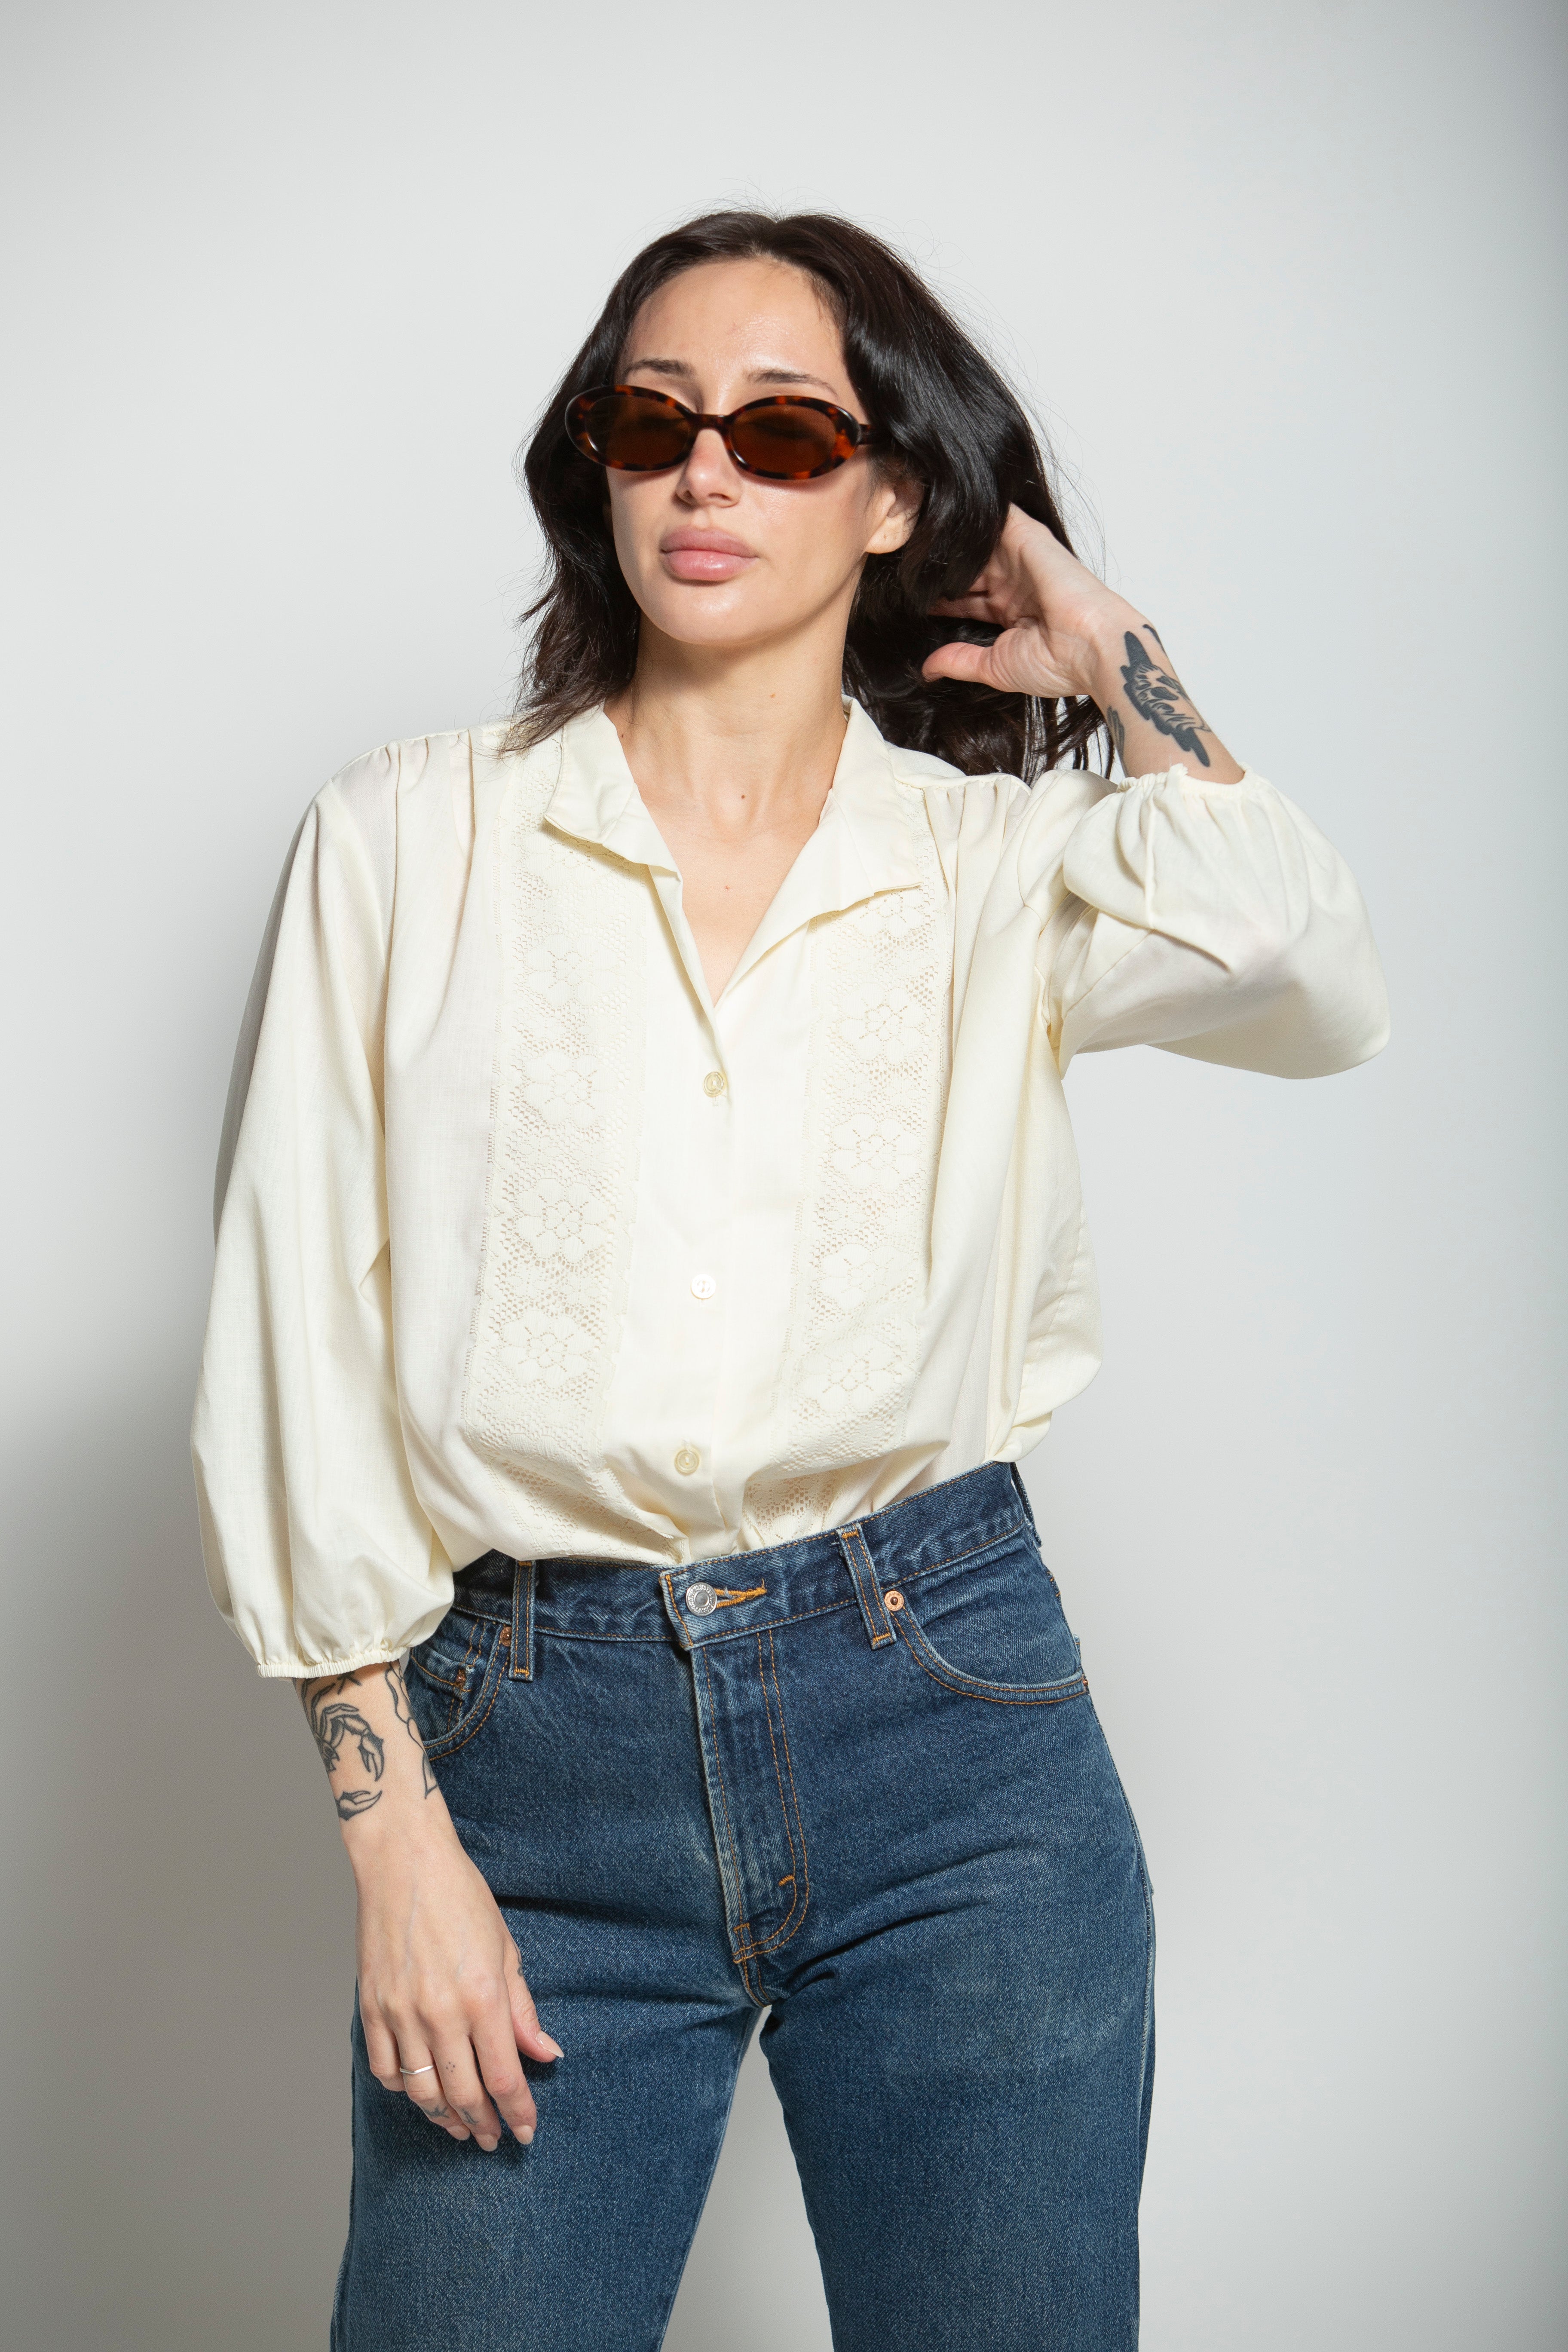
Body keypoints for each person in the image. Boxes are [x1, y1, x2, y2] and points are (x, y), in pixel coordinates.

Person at [192, 209, 1388, 2351]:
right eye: (652, 421)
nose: (706, 472)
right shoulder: (406, 842)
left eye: (785, 433)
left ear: (894, 495)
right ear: (595, 460)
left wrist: (1101, 631)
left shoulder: (989, 869)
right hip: (529, 1755)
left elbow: (1307, 967)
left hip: (955, 1745)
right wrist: (397, 1849)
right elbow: (294, 1350)